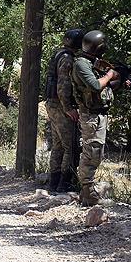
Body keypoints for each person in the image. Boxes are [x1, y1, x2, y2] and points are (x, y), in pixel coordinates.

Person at [71, 30, 125, 206]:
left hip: (98, 114)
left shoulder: (93, 63)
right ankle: (88, 193)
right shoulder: (81, 64)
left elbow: (105, 86)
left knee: (96, 153)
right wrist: (110, 75)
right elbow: (95, 85)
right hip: (91, 116)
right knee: (92, 153)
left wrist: (119, 80)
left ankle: (86, 192)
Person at [45, 29, 84, 192]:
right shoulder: (68, 59)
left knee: (58, 144)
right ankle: (64, 184)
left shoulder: (58, 54)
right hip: (61, 106)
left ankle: (54, 182)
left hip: (52, 104)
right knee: (71, 146)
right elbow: (63, 85)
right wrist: (68, 108)